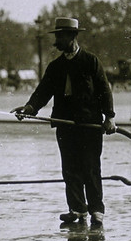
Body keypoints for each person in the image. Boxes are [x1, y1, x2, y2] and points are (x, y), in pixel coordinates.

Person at [11, 17, 116, 226]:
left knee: (91, 168)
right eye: (57, 36)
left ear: (73, 36)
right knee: (69, 168)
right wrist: (30, 108)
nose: (57, 40)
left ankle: (96, 210)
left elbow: (105, 89)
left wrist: (109, 117)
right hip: (64, 125)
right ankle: (77, 209)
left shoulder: (90, 61)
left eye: (61, 36)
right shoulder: (55, 66)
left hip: (89, 126)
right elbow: (43, 92)